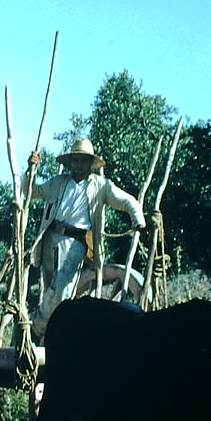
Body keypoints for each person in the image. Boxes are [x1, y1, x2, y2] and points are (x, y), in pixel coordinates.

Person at [26, 139, 147, 336]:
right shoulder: (58, 182)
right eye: (76, 160)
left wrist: (138, 220)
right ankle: (49, 334)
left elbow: (127, 201)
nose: (79, 165)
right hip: (52, 238)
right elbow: (31, 192)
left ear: (90, 163)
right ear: (70, 162)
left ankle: (36, 325)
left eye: (83, 161)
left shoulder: (101, 186)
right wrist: (31, 171)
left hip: (76, 242)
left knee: (62, 291)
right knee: (50, 288)